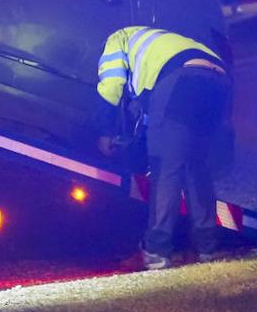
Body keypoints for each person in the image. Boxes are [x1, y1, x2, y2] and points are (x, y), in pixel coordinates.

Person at [97, 25, 234, 270]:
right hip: (218, 80)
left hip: (181, 80)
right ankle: (208, 248)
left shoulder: (117, 39)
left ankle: (157, 250)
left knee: (166, 167)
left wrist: (106, 130)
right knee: (196, 166)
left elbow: (111, 87)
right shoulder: (163, 40)